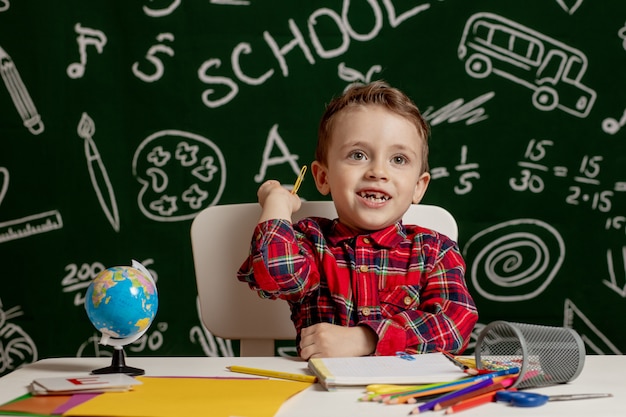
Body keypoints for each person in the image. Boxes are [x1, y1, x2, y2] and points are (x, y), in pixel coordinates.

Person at [237, 80, 478, 360]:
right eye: (358, 155)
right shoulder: (310, 240)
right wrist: (277, 202)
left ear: (418, 187)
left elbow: (455, 325)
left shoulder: (434, 250)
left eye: (398, 159)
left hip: (402, 396)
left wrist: (368, 338)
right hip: (318, 395)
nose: (378, 171)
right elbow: (276, 276)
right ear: (323, 177)